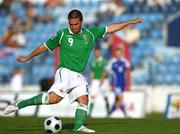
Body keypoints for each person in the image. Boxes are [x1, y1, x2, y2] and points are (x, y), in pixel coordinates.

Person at [4, 9, 143, 133]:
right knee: (53, 99)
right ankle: (19, 104)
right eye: (71, 24)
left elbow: (111, 28)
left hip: (79, 75)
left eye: (76, 24)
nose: (73, 26)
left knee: (84, 99)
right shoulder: (62, 34)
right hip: (65, 71)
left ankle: (78, 127)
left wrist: (131, 22)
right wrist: (28, 57)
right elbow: (44, 47)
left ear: (81, 22)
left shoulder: (90, 34)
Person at [101, 47, 130, 117]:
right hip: (116, 82)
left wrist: (127, 81)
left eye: (119, 53)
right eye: (117, 54)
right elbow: (106, 71)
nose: (118, 55)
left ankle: (109, 113)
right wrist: (102, 79)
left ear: (121, 54)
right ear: (115, 54)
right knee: (120, 97)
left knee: (117, 99)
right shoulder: (112, 62)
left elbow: (128, 71)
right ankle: (125, 113)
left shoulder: (125, 61)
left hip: (122, 82)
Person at [89, 47, 109, 117]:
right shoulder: (93, 61)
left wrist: (102, 79)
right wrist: (91, 81)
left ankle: (108, 112)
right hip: (95, 80)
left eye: (97, 52)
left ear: (100, 53)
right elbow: (92, 72)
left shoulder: (103, 61)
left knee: (105, 96)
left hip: (103, 81)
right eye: (95, 52)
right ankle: (90, 113)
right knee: (93, 96)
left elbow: (105, 71)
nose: (96, 53)